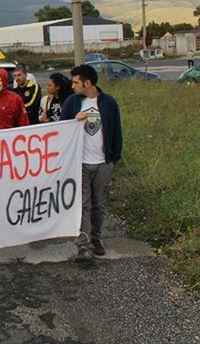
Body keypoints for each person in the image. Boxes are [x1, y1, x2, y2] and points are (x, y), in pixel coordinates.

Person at [61, 64, 123, 262]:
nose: (72, 86)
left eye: (76, 82)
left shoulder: (108, 102)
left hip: (103, 162)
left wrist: (113, 160)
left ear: (88, 83)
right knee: (83, 205)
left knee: (99, 205)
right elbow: (62, 129)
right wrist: (74, 120)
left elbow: (117, 132)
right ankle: (83, 244)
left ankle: (96, 238)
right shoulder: (72, 103)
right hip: (81, 163)